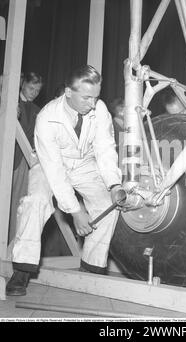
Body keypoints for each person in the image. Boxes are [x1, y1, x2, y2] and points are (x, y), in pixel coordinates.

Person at [6, 65, 125, 296]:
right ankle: (21, 270)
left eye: (96, 97)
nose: (93, 104)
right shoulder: (47, 117)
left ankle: (91, 269)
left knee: (108, 207)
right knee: (36, 202)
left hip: (83, 164)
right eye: (87, 97)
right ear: (68, 93)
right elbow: (55, 170)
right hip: (49, 164)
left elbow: (105, 149)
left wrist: (113, 184)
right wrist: (75, 211)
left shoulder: (99, 109)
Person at [9, 72, 43, 243]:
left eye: (37, 90)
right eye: (31, 88)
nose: (34, 93)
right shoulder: (9, 103)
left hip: (25, 162)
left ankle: (10, 241)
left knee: (17, 204)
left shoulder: (38, 111)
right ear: (22, 84)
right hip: (9, 158)